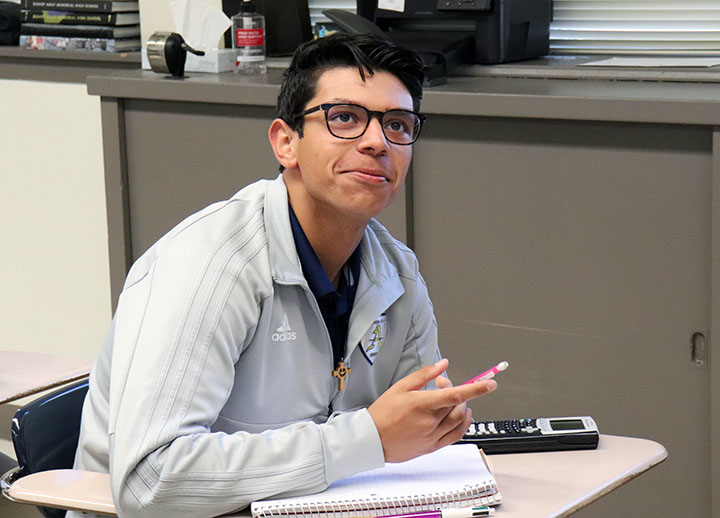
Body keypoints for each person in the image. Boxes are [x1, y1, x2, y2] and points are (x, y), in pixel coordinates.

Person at [71, 33, 497, 518]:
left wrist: (436, 424)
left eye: (398, 125)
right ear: (286, 143)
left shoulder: (395, 271)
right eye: (345, 118)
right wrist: (366, 438)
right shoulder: (208, 266)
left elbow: (414, 437)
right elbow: (150, 480)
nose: (378, 142)